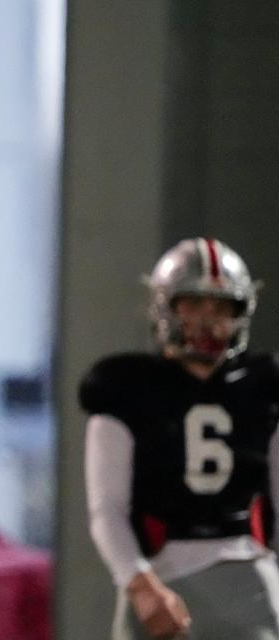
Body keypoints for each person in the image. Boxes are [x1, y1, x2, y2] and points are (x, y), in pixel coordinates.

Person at [80, 238, 279, 640]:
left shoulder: (264, 387)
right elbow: (107, 510)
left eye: (222, 307)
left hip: (248, 574)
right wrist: (139, 584)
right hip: (159, 574)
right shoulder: (126, 387)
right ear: (166, 307)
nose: (209, 320)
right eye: (194, 304)